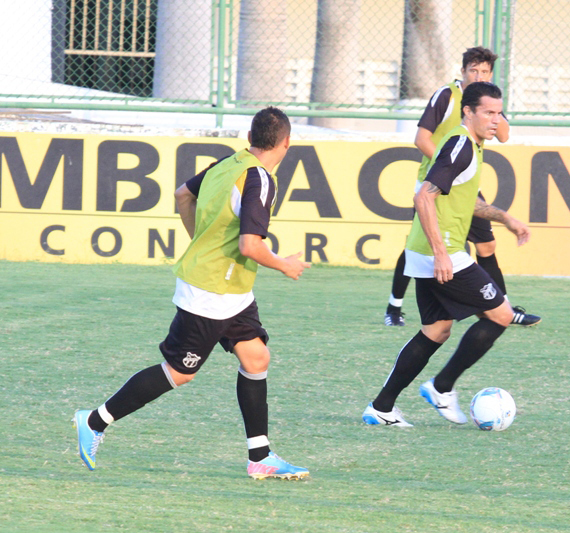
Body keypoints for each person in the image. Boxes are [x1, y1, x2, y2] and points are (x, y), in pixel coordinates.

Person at [73, 107, 312, 480]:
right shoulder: (261, 179)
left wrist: (200, 241)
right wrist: (284, 264)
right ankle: (94, 420)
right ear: (285, 143)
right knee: (179, 373)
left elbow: (183, 194)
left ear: (251, 139)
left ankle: (260, 456)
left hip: (232, 289)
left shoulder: (228, 163)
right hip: (211, 291)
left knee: (255, 358)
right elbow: (250, 245)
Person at [364, 82, 530, 427]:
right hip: (442, 253)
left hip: (426, 251)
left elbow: (469, 203)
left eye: (499, 113)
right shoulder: (460, 145)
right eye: (488, 112)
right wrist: (441, 253)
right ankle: (442, 386)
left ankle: (381, 408)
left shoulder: (470, 145)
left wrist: (506, 218)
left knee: (437, 330)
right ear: (468, 111)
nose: (495, 120)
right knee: (501, 314)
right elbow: (424, 196)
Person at [384, 46, 540, 328]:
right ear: (463, 70)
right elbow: (422, 139)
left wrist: (495, 111)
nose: (478, 75)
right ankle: (393, 307)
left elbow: (503, 136)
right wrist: (447, 170)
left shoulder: (487, 102)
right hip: (437, 182)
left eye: (484, 71)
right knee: (418, 246)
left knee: (487, 244)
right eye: (473, 70)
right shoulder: (447, 96)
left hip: (463, 183)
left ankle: (503, 307)